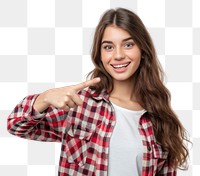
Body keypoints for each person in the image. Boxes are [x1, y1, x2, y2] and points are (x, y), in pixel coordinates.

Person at [7, 8, 189, 176]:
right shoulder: (79, 104)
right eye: (108, 47)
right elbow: (16, 125)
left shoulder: (159, 118)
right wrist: (45, 97)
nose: (118, 55)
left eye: (128, 45)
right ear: (100, 55)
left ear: (143, 50)